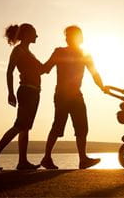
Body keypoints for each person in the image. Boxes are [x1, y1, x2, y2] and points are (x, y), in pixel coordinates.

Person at [40, 25, 108, 169]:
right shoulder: (61, 52)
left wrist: (102, 87)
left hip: (74, 95)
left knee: (81, 127)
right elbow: (45, 69)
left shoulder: (83, 55)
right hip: (63, 95)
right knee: (58, 127)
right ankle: (47, 158)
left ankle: (82, 159)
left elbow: (94, 73)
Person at [0, 23, 42, 170]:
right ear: (26, 35)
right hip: (26, 91)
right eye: (34, 33)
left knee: (25, 128)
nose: (36, 36)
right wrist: (10, 92)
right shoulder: (18, 51)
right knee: (19, 125)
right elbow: (9, 71)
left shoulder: (29, 53)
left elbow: (42, 70)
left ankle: (22, 161)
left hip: (35, 92)